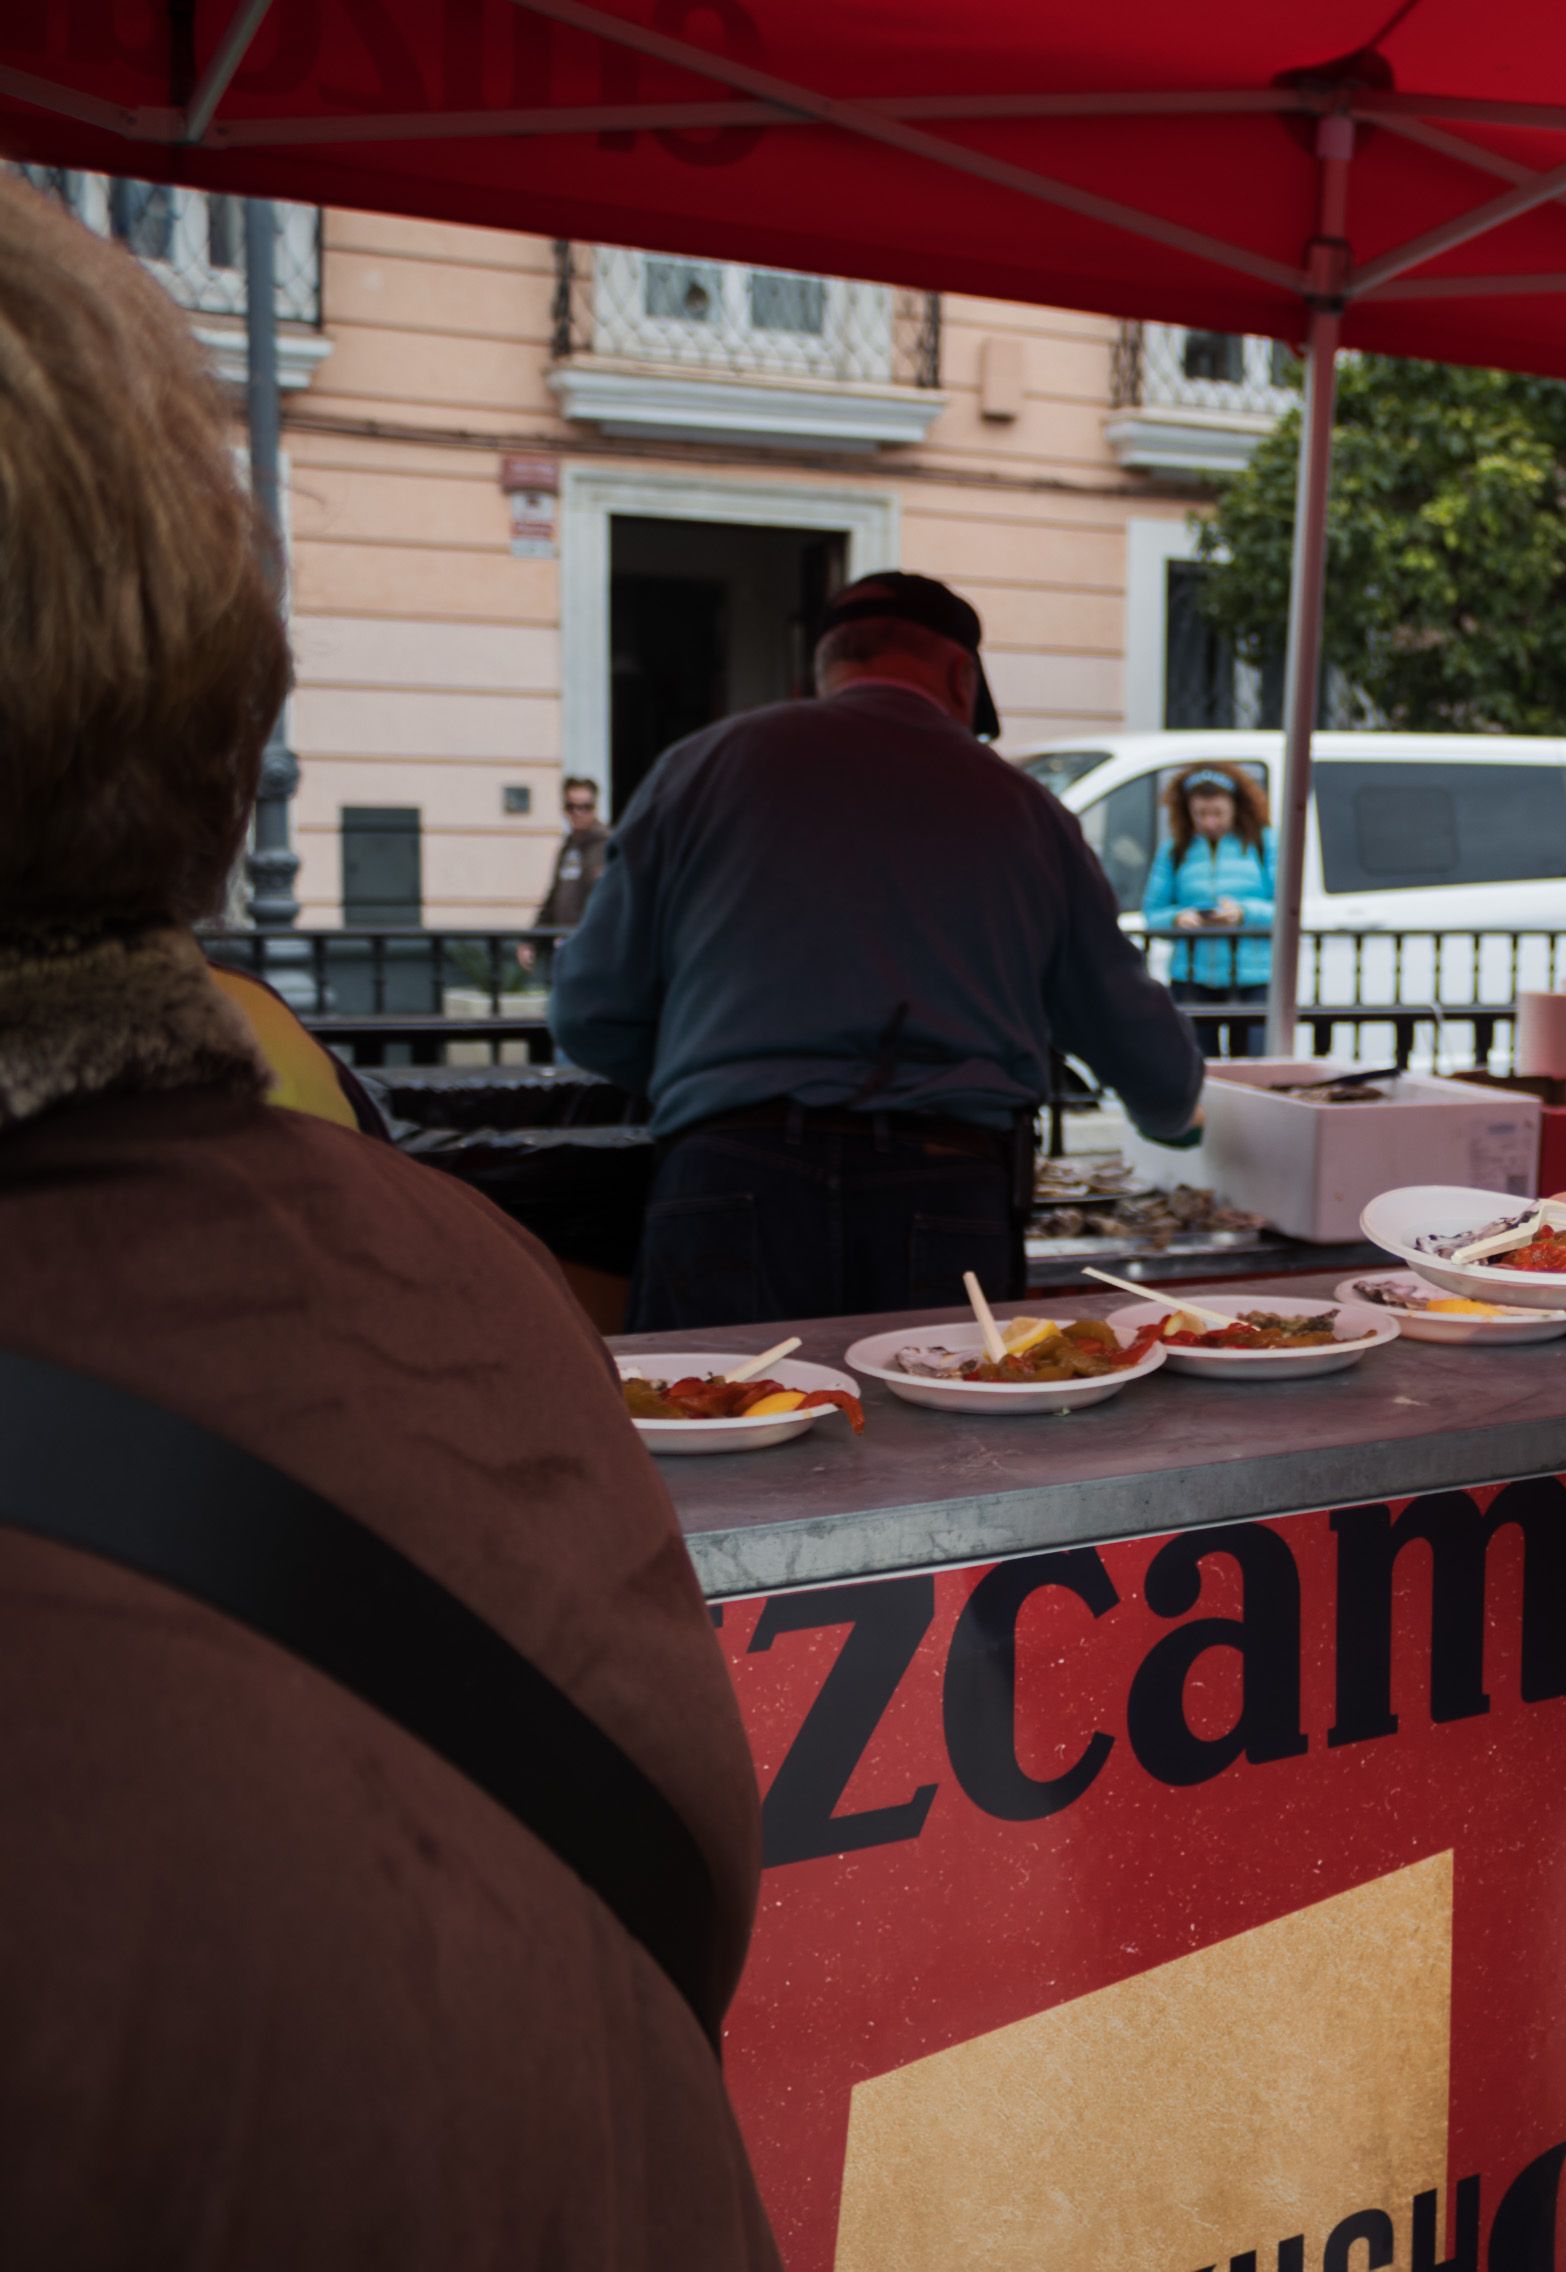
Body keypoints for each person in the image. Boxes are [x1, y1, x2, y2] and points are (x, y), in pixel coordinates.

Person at [0, 175, 775, 2264]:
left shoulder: (700, 798)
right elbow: (1148, 1061)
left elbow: (596, 1020)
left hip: (728, 1158)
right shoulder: (457, 1279)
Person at [551, 570, 1203, 1331]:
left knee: (722, 1429)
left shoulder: (696, 771)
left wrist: (718, 1074)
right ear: (963, 675)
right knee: (939, 1443)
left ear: (827, 668)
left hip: (728, 1175)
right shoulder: (1025, 810)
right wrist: (1175, 1116)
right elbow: (1136, 1042)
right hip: (945, 1188)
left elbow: (589, 1011)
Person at [1141, 766, 1276, 1005]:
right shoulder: (1175, 850)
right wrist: (1178, 918)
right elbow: (1152, 914)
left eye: (1218, 812)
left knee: (1255, 1042)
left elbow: (1286, 910)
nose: (1209, 822)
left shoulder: (1263, 843)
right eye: (1200, 813)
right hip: (1192, 975)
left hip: (1254, 975)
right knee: (1197, 1043)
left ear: (1235, 808)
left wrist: (1243, 912)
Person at [535, 774, 610, 931]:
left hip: (593, 940)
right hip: (563, 940)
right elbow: (553, 897)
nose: (578, 813)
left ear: (595, 808)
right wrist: (532, 939)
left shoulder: (607, 846)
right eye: (571, 807)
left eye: (585, 807)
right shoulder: (567, 848)